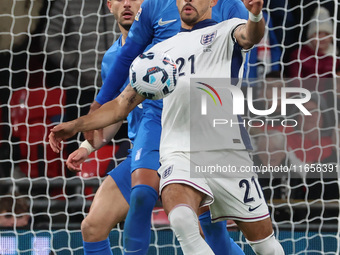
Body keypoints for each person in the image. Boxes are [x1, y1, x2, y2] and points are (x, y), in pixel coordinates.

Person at [49, 0, 285, 254]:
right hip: (178, 152)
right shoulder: (158, 54)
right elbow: (120, 105)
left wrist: (256, 14)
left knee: (266, 247)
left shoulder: (227, 30)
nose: (188, 1)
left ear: (213, 2)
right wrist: (76, 125)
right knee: (180, 220)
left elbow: (250, 35)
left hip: (226, 153)